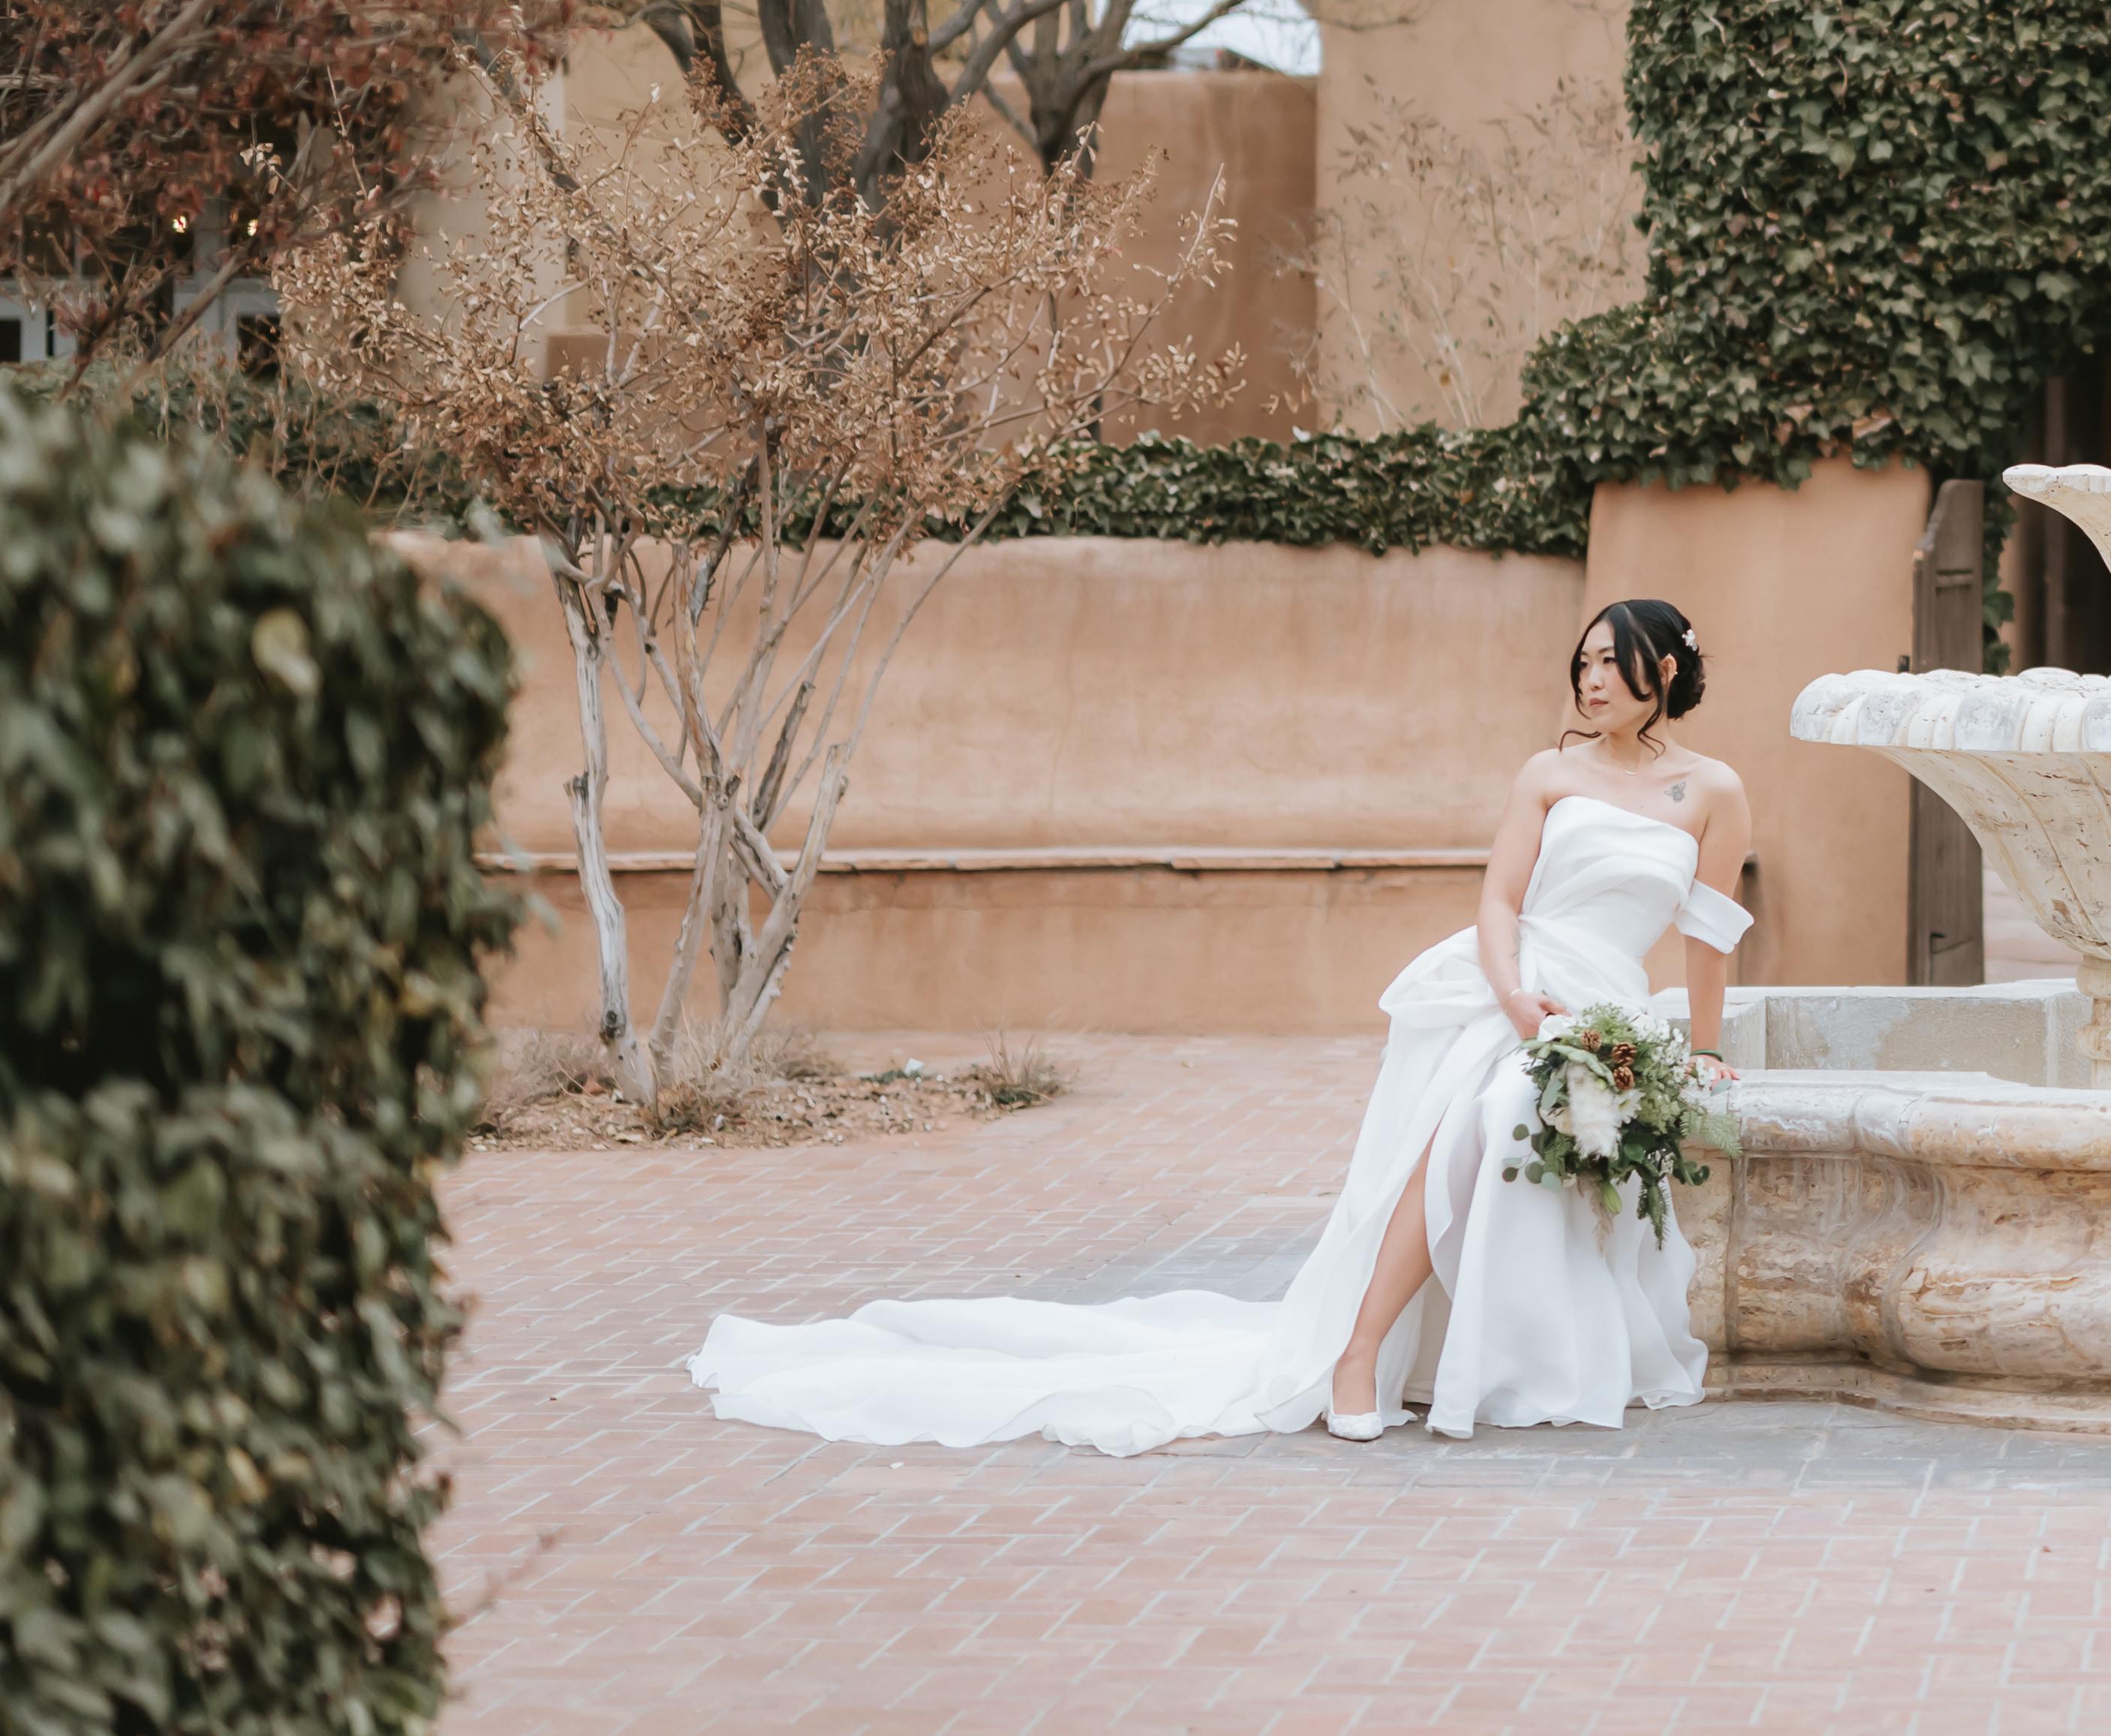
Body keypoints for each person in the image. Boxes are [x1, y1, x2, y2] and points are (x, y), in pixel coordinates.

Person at [687, 601, 1752, 1455]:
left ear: (1663, 670)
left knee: (1535, 1137)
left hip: (1608, 1004)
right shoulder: (1548, 774)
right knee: (1481, 1117)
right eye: (1583, 662)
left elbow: (1709, 935)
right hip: (1519, 988)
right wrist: (1516, 998)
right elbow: (1499, 902)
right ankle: (1357, 1351)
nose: (1590, 679)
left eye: (1612, 662)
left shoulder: (1710, 790)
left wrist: (1703, 1051)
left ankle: (1517, 1355)